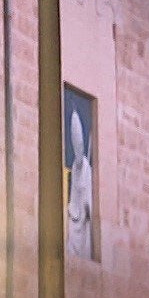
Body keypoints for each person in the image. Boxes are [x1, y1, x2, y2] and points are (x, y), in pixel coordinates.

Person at [66, 110, 94, 259]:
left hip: (83, 217)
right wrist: (75, 118)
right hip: (76, 215)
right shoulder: (80, 166)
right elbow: (78, 144)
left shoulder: (85, 169)